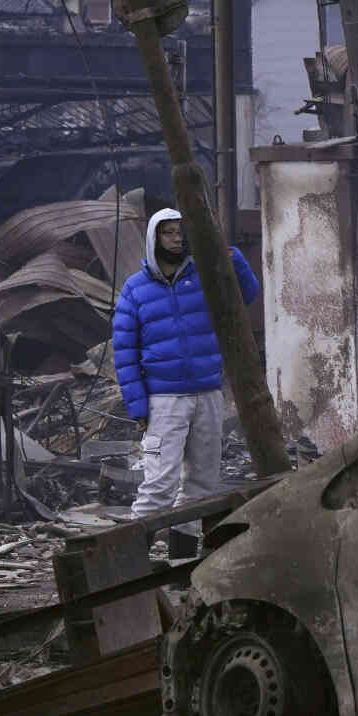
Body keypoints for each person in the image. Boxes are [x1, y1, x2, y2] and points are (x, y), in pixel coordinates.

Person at [112, 208, 260, 559]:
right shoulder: (135, 291)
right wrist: (138, 409)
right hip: (162, 405)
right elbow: (124, 354)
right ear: (153, 238)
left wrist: (231, 255)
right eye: (169, 233)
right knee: (158, 484)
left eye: (181, 232)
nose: (177, 239)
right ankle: (132, 564)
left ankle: (182, 565)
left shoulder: (204, 277)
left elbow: (247, 295)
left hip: (208, 396)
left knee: (201, 486)